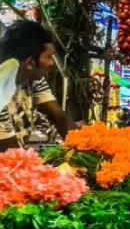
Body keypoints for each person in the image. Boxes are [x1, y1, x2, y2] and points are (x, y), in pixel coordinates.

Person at [0, 20, 75, 151]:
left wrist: (82, 146)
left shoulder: (32, 75)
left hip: (25, 145)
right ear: (30, 62)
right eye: (49, 57)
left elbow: (60, 118)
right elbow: (12, 154)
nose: (52, 63)